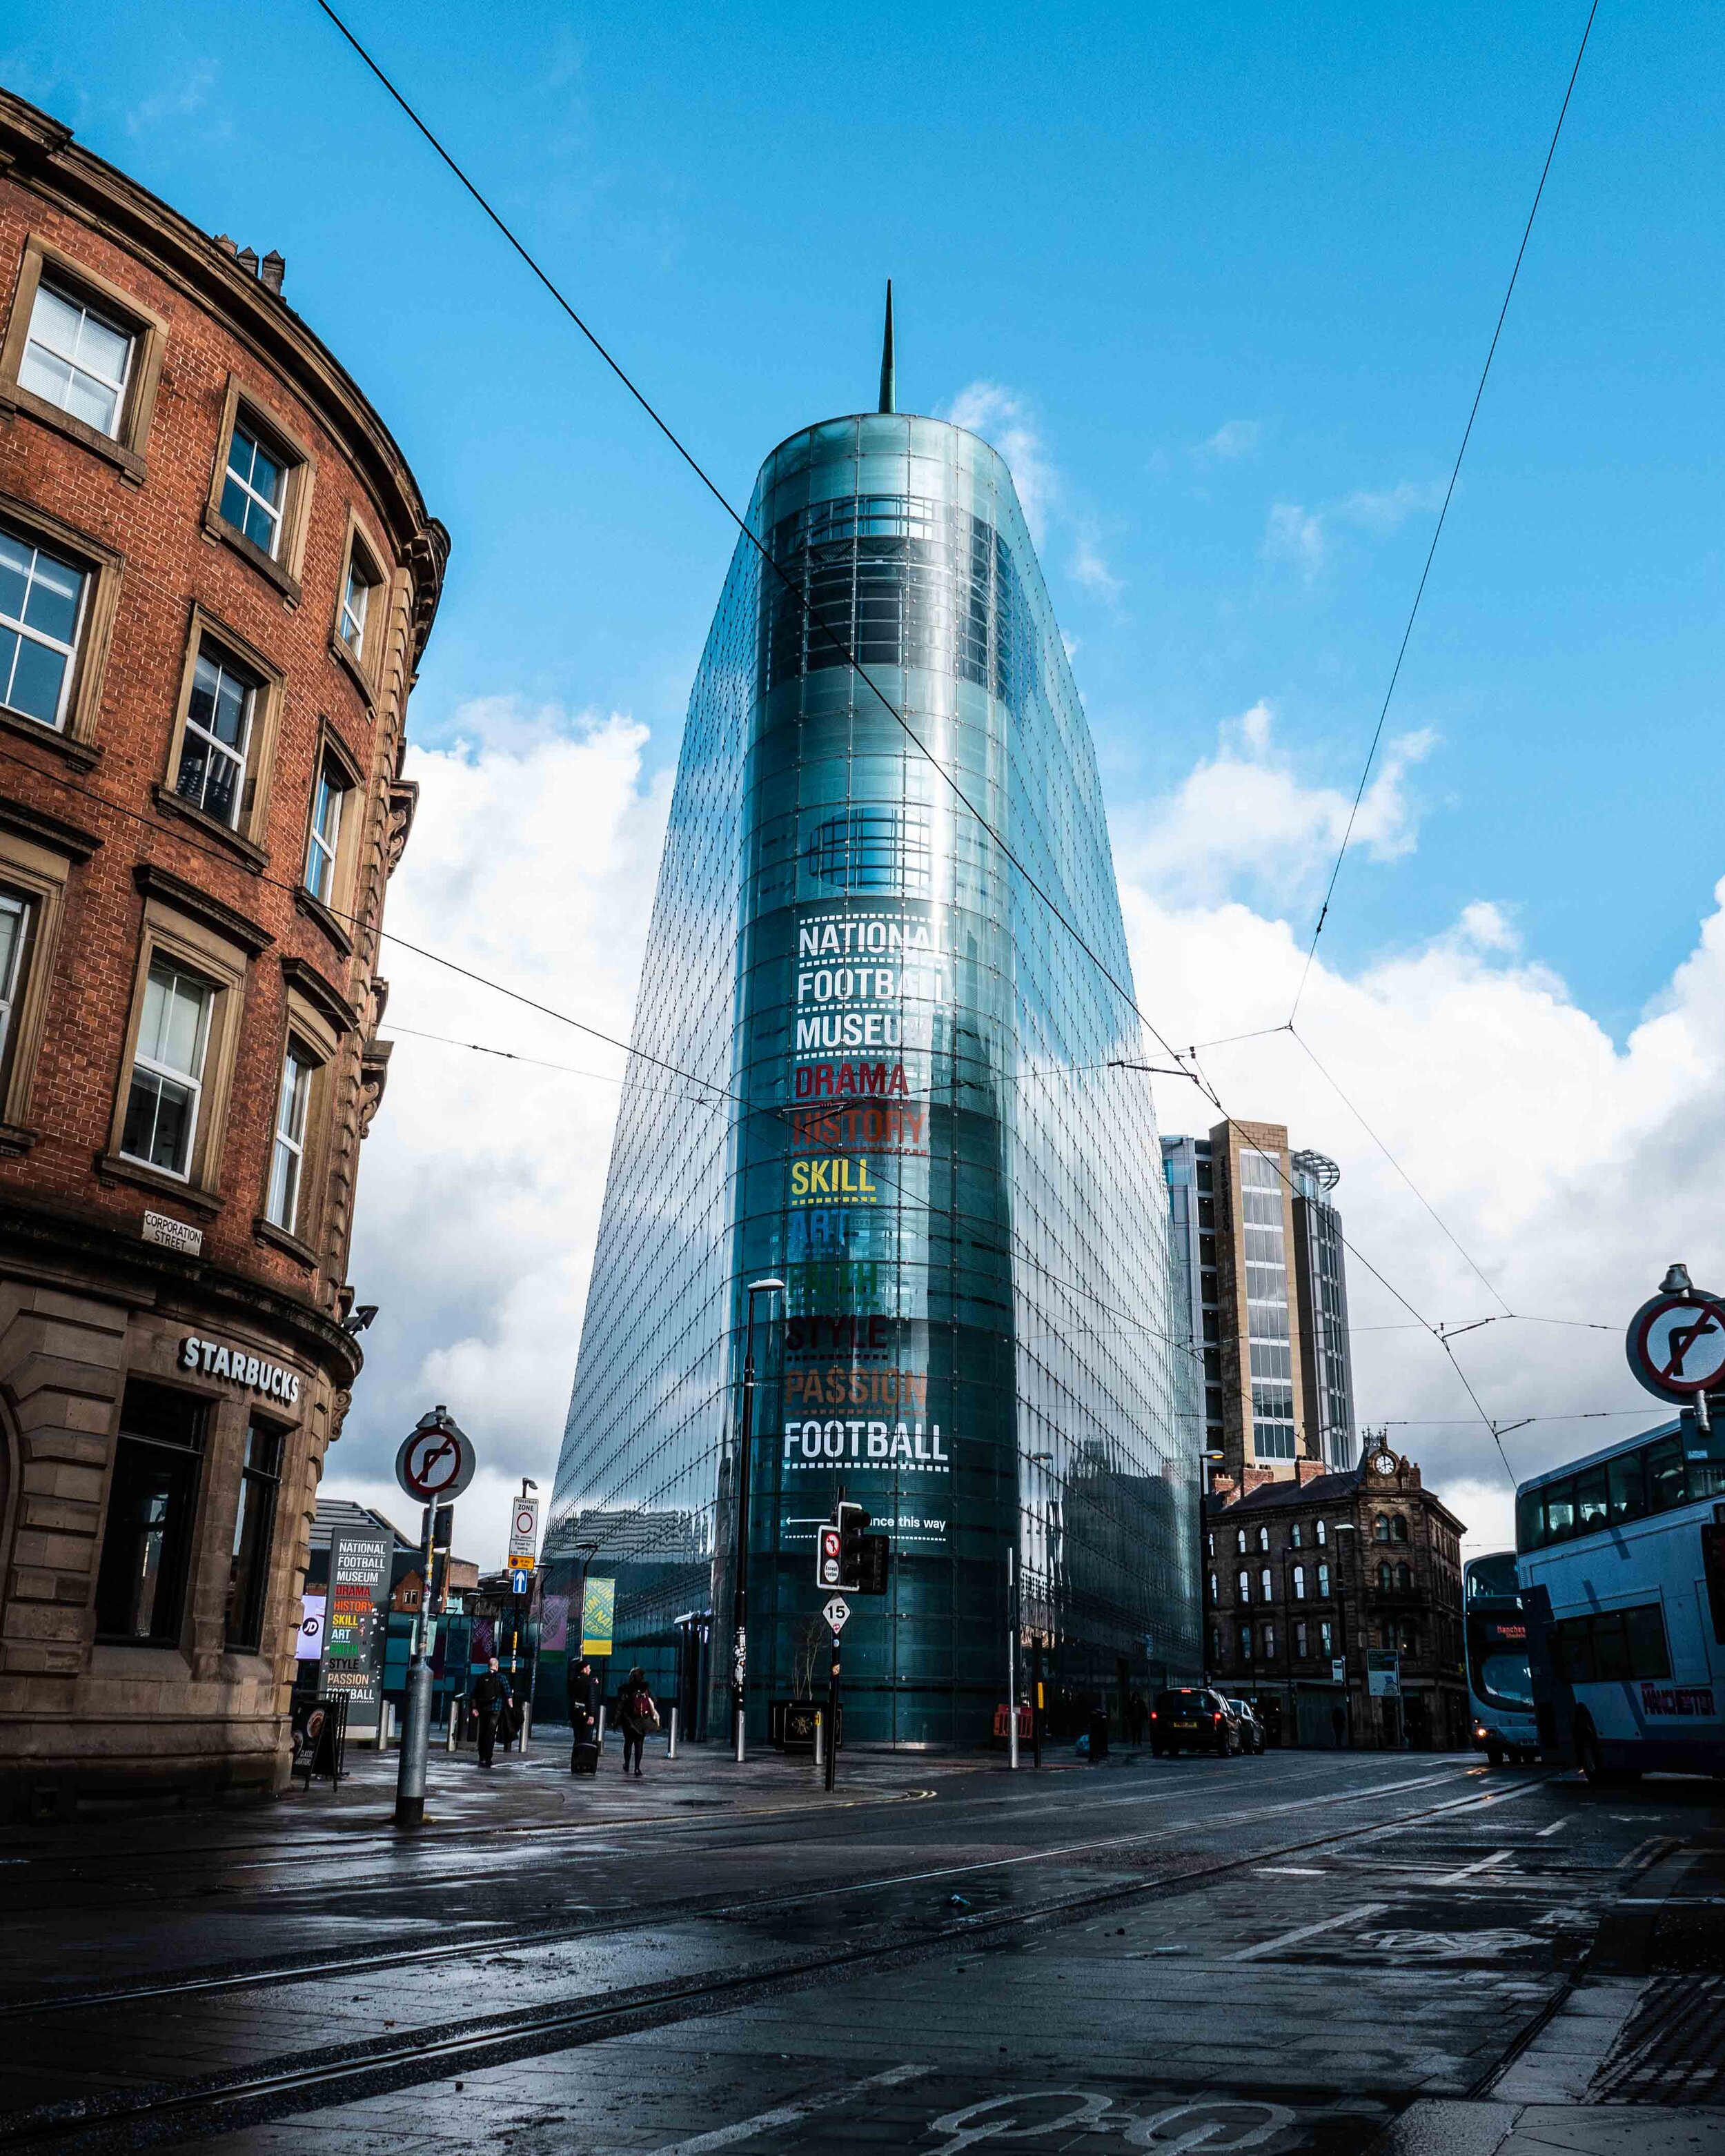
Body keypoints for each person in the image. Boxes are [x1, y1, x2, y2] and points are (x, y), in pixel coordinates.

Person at [618, 1665, 658, 1777]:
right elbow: (654, 1701)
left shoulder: (626, 1689)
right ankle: (637, 1768)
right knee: (639, 1744)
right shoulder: (645, 1689)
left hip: (629, 1720)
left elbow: (620, 1705)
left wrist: (616, 1720)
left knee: (628, 1743)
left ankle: (627, 1764)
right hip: (641, 1721)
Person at [472, 1656, 512, 1769]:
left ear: (488, 1666)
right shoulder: (501, 1677)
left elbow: (474, 1694)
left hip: (483, 1709)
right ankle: (488, 1758)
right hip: (496, 1709)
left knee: (482, 1732)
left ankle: (481, 1757)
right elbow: (508, 1694)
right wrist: (511, 1708)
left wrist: (474, 1708)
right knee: (491, 1733)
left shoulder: (481, 1677)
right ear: (497, 1666)